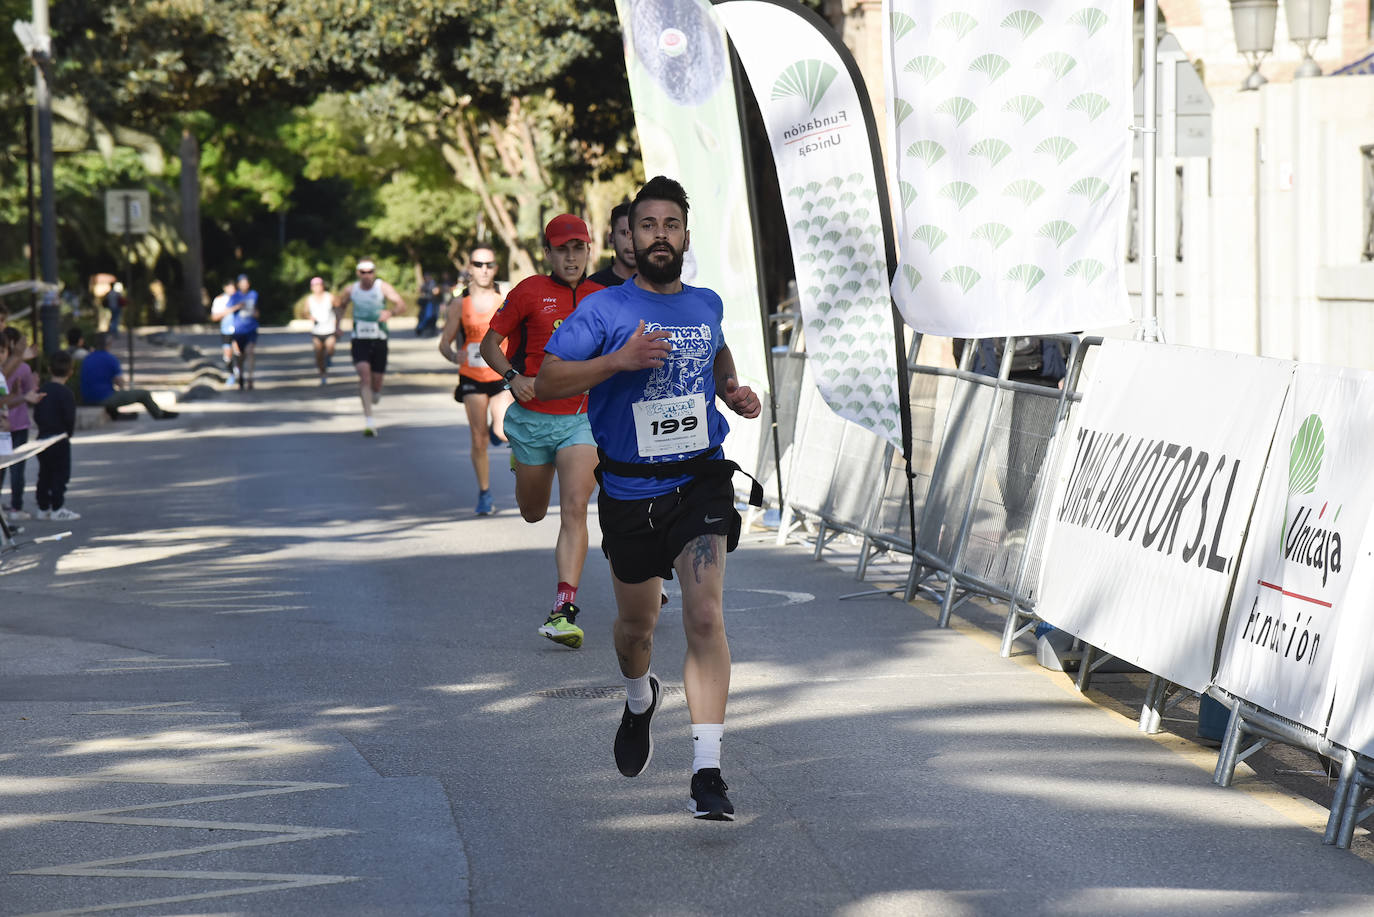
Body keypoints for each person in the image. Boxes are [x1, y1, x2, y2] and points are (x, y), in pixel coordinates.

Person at [538, 176, 762, 821]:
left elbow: (716, 349)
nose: (659, 235)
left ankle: (707, 772)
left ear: (685, 236)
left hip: (700, 478)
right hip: (631, 490)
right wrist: (617, 361)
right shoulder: (604, 312)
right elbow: (547, 378)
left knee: (704, 616)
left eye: (671, 224)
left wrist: (731, 390)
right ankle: (639, 698)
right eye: (647, 225)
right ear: (630, 238)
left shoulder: (706, 302)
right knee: (637, 628)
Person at [480, 215, 604, 647]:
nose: (571, 257)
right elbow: (488, 345)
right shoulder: (529, 291)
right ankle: (523, 462)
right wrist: (513, 376)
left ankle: (563, 610)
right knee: (533, 512)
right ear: (548, 253)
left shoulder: (601, 297)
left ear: (589, 251)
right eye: (562, 249)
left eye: (578, 248)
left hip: (582, 420)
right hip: (533, 419)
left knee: (575, 507)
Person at [439, 246, 513, 516]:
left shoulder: (505, 298)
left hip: (501, 373)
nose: (484, 269)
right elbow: (444, 344)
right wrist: (453, 355)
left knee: (503, 430)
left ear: (495, 268)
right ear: (469, 267)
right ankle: (485, 492)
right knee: (478, 438)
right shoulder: (460, 303)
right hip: (471, 375)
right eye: (478, 264)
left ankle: (497, 430)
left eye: (489, 264)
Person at [335, 259, 406, 436]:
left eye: (370, 272)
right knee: (364, 375)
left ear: (374, 273)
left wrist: (390, 312)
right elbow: (340, 306)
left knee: (376, 381)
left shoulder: (382, 287)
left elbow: (401, 304)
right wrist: (337, 325)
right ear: (358, 274)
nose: (367, 275)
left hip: (379, 338)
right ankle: (369, 421)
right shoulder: (351, 290)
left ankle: (376, 392)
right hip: (360, 338)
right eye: (363, 272)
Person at [79, 333, 178, 420]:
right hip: (103, 398)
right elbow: (120, 382)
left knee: (113, 393)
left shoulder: (88, 358)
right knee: (143, 394)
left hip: (87, 398)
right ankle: (159, 414)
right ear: (108, 344)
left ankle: (117, 415)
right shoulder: (110, 359)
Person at [2, 327, 43, 520]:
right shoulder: (21, 368)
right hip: (15, 424)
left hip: (9, 424)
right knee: (16, 469)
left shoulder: (7, 373)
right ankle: (15, 507)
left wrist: (14, 396)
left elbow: (4, 401)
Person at [33, 349, 78, 521]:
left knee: (44, 473)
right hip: (59, 438)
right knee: (60, 474)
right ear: (70, 372)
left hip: (43, 437)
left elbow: (38, 413)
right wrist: (69, 433)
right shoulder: (66, 393)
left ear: (50, 369)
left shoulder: (43, 390)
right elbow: (69, 417)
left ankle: (43, 506)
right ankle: (57, 507)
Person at [587, 201, 637, 287]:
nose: (631, 242)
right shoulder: (593, 286)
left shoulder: (658, 286)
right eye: (624, 233)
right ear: (611, 239)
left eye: (636, 233)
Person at [302, 276, 340, 385]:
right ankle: (323, 374)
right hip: (317, 330)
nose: (317, 288)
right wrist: (309, 317)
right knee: (318, 353)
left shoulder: (330, 297)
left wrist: (337, 323)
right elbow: (304, 312)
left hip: (329, 329)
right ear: (311, 287)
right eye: (314, 286)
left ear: (322, 286)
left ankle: (328, 358)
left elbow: (338, 308)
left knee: (330, 348)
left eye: (319, 285)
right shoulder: (309, 299)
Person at [227, 274, 260, 390]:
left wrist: (256, 313)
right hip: (239, 329)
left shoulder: (254, 295)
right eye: (242, 282)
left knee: (250, 351)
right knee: (240, 355)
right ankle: (240, 375)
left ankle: (250, 378)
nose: (244, 284)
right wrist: (238, 306)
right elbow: (228, 310)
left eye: (246, 282)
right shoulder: (234, 296)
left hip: (251, 328)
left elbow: (256, 309)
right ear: (238, 284)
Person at [209, 281, 237, 384]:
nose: (232, 289)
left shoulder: (241, 298)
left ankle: (239, 371)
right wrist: (229, 310)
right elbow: (214, 317)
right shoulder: (219, 299)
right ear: (225, 288)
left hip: (239, 330)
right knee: (227, 355)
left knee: (239, 351)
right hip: (226, 330)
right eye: (230, 287)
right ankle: (232, 374)